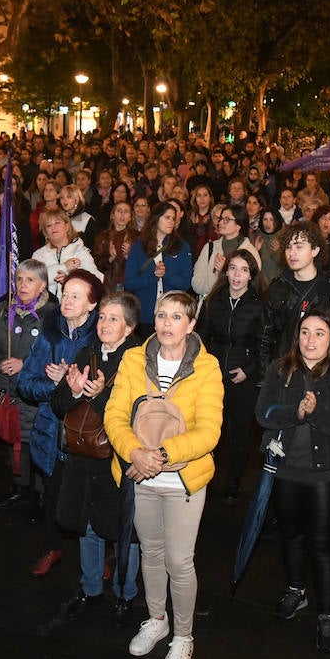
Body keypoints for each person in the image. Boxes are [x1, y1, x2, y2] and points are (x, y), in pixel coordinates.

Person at [104, 290, 224, 659]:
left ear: (191, 325)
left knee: (179, 560)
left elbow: (209, 431)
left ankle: (184, 636)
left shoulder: (207, 367)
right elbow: (114, 414)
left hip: (182, 480)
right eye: (161, 315)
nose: (167, 324)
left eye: (176, 317)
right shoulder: (133, 359)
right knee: (151, 552)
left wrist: (162, 455)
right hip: (139, 474)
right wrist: (134, 453)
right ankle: (157, 620)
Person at [255, 309, 330, 652]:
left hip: (324, 472)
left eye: (319, 333)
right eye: (304, 332)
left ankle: (327, 614)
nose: (310, 339)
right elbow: (263, 413)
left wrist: (315, 413)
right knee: (291, 535)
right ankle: (296, 589)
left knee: (321, 543)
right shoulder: (280, 369)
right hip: (285, 468)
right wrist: (295, 413)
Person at [50, 291, 144, 627]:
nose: (104, 324)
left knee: (124, 532)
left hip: (118, 461)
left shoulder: (138, 362)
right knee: (87, 525)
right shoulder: (86, 352)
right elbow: (58, 405)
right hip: (82, 457)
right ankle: (90, 589)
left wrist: (100, 397)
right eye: (102, 316)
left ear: (129, 327)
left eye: (113, 319)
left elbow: (139, 419)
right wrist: (75, 391)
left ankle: (125, 595)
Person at [17, 269, 103, 577]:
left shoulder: (102, 337)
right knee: (52, 495)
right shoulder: (49, 333)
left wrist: (72, 384)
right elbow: (24, 383)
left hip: (87, 434)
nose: (66, 301)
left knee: (90, 499)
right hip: (50, 433)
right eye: (65, 294)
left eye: (75, 296)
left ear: (92, 304)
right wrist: (54, 386)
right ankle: (51, 547)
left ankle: (98, 558)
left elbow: (109, 391)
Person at [0, 259, 53, 515]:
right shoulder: (1, 311)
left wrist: (26, 365)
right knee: (14, 442)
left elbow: (57, 357)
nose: (22, 285)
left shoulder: (52, 316)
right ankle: (20, 489)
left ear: (42, 286)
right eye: (19, 279)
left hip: (35, 396)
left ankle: (41, 496)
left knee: (37, 443)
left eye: (30, 280)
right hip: (7, 394)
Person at [195, 248, 263, 504]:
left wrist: (248, 370)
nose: (237, 275)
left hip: (243, 378)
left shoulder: (258, 305)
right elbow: (202, 336)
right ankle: (207, 480)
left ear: (251, 275)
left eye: (244, 270)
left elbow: (264, 345)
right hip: (213, 378)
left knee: (240, 434)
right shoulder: (214, 300)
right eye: (233, 268)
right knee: (211, 430)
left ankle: (233, 483)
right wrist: (207, 366)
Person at [258, 221, 330, 372]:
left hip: (321, 373)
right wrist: (269, 373)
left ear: (315, 250)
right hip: (283, 371)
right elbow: (264, 337)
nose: (292, 253)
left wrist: (327, 374)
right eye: (288, 247)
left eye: (299, 246)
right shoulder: (277, 287)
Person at [125, 201, 193, 330]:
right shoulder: (139, 246)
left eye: (173, 218)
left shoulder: (182, 246)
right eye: (167, 217)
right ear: (156, 218)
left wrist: (166, 274)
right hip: (145, 316)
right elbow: (129, 283)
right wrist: (152, 276)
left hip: (173, 316)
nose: (171, 222)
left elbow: (186, 283)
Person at [191, 204, 259, 296]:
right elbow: (196, 284)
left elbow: (253, 286)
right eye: (220, 219)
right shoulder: (210, 248)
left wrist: (223, 272)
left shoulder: (250, 252)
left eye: (226, 219)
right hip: (211, 302)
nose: (220, 223)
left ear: (238, 225)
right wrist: (215, 280)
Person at [33, 207, 102, 298]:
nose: (53, 227)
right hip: (44, 305)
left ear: (67, 226)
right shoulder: (38, 255)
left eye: (57, 222)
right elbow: (33, 280)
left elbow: (96, 280)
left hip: (74, 304)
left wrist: (69, 280)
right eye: (48, 225)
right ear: (46, 232)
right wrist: (64, 267)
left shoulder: (80, 252)